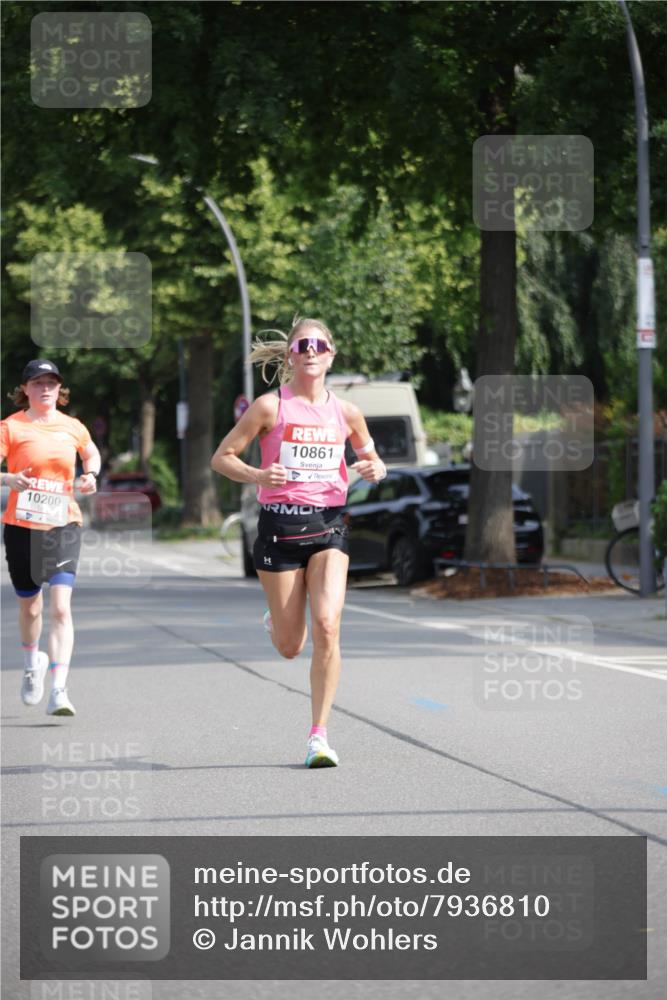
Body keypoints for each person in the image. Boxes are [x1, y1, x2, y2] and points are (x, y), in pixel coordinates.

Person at [211, 318, 386, 768]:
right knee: (291, 646)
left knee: (328, 625)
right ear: (291, 354)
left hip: (329, 528)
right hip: (279, 530)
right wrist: (258, 475)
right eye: (302, 344)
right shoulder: (269, 408)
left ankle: (319, 736)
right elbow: (222, 458)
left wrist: (372, 469)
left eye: (319, 344)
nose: (310, 350)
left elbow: (372, 459)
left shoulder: (346, 413)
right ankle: (279, 618)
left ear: (331, 354)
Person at [1, 359, 101, 716]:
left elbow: (91, 453)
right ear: (25, 389)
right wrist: (7, 479)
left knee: (60, 607)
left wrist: (90, 475)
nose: (46, 388)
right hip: (20, 526)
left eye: (52, 383)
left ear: (60, 390)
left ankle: (59, 690)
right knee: (31, 606)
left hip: (63, 524)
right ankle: (32, 664)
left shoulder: (73, 426)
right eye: (38, 382)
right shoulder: (10, 427)